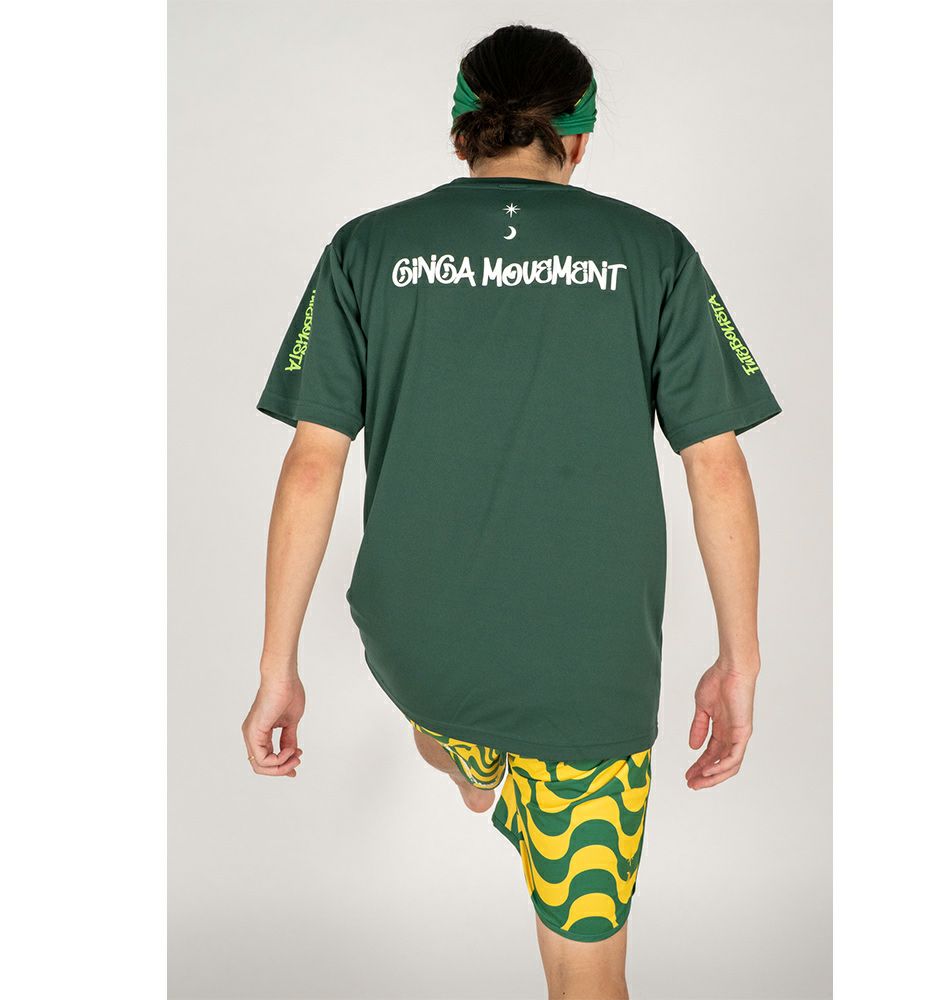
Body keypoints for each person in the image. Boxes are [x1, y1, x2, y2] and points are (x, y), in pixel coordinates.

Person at [242, 23, 781, 1000]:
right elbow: (717, 465)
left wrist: (277, 667)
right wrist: (738, 661)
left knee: (448, 725)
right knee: (586, 970)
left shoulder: (365, 248)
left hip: (422, 643)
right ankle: (499, 762)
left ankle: (472, 754)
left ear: (463, 131)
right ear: (578, 138)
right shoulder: (652, 251)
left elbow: (312, 465)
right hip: (589, 668)